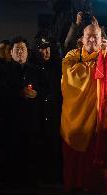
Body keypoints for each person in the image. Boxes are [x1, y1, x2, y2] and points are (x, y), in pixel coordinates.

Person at [60, 20, 107, 194]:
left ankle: (99, 193)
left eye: (96, 36)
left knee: (97, 165)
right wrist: (99, 65)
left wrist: (106, 55)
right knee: (77, 162)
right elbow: (71, 76)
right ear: (81, 39)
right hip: (76, 120)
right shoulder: (72, 56)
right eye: (89, 36)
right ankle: (74, 192)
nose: (92, 40)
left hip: (99, 119)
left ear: (102, 39)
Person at [0, 36, 47, 187]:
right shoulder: (3, 70)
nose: (20, 52)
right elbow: (1, 91)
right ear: (11, 52)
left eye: (23, 49)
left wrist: (37, 93)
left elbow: (45, 91)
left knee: (31, 151)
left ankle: (31, 182)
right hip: (11, 119)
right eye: (17, 49)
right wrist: (19, 93)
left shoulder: (36, 70)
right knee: (12, 151)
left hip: (32, 120)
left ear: (28, 52)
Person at [34, 35, 63, 184]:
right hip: (38, 114)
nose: (44, 52)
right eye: (41, 49)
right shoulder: (32, 66)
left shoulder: (59, 66)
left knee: (55, 145)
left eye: (47, 49)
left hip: (55, 112)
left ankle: (55, 177)